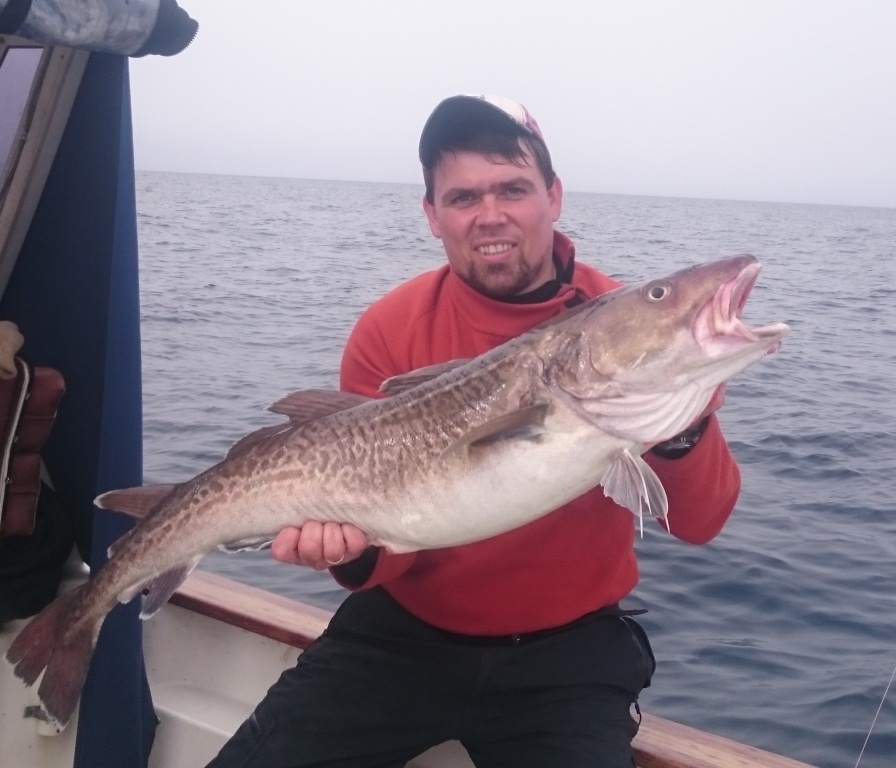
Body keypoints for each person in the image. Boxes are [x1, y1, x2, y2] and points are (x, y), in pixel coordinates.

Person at [206, 94, 740, 768]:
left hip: (569, 658)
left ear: (553, 196)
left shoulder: (628, 326)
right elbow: (400, 526)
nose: (490, 215)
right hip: (403, 638)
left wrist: (683, 428)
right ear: (433, 215)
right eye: (462, 197)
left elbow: (701, 522)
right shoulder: (390, 328)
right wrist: (352, 552)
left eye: (512, 189)